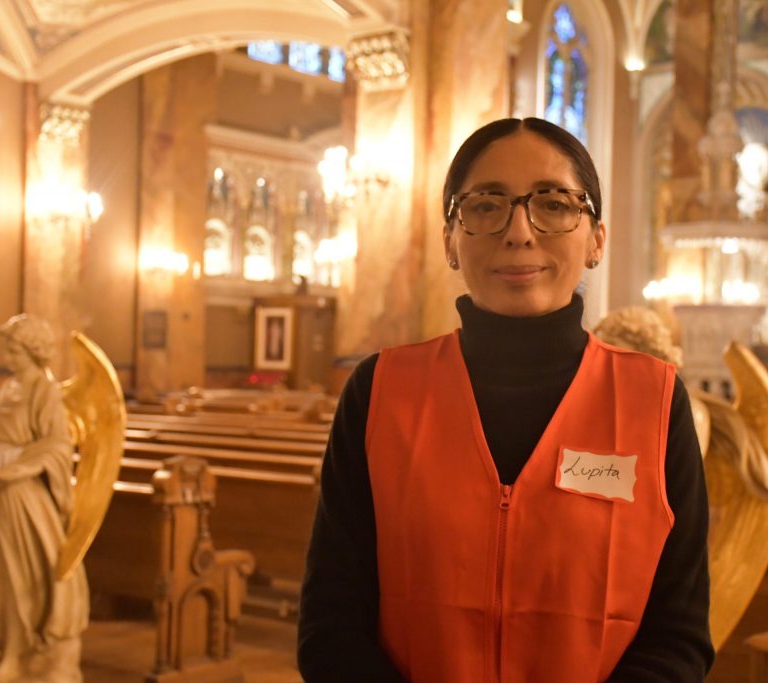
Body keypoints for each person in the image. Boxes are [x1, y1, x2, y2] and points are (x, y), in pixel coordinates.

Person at [297, 117, 713, 681]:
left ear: (596, 239)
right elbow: (332, 624)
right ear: (450, 238)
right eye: (487, 205)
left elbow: (678, 637)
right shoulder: (381, 392)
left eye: (555, 203)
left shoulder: (655, 402)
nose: (519, 231)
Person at [0, 315, 88, 683]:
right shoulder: (11, 388)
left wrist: (19, 468)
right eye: (6, 347)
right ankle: (10, 657)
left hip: (24, 498)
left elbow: (57, 445)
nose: (7, 355)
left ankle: (41, 657)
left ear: (34, 351)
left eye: (14, 348)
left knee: (31, 576)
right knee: (3, 581)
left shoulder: (44, 390)